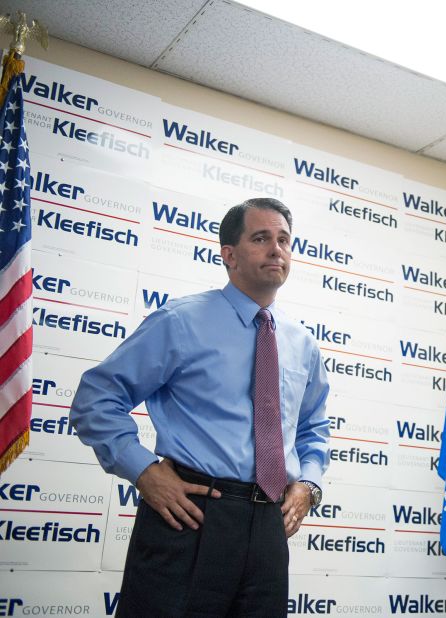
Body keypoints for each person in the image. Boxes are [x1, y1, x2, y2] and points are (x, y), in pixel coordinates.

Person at [70, 197, 330, 617]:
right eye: (261, 238)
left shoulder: (302, 343)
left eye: (284, 239)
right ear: (229, 254)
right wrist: (144, 471)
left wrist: (309, 485)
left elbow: (313, 426)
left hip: (268, 526)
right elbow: (96, 398)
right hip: (190, 518)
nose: (276, 249)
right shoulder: (180, 321)